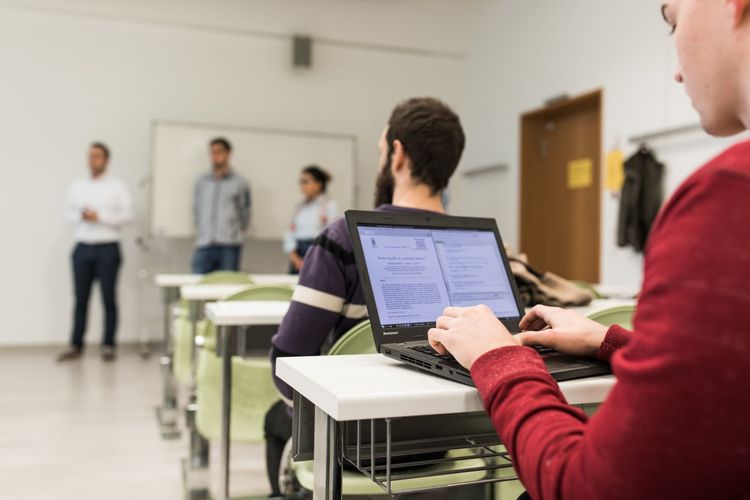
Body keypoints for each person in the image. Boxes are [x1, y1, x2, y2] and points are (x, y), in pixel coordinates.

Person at [427, 1, 750, 498]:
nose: (678, 71)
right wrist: (614, 344)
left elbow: (588, 488)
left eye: (673, 23)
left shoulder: (728, 197)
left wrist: (496, 356)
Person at [265, 97, 465, 498]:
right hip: (450, 436)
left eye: (380, 151)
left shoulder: (341, 239)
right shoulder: (475, 245)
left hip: (354, 442)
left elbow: (287, 364)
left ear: (396, 154)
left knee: (276, 418)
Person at [57, 143, 133, 362]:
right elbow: (68, 214)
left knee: (108, 298)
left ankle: (108, 344)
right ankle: (76, 344)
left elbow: (127, 216)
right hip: (83, 246)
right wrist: (83, 215)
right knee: (80, 298)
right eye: (90, 156)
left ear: (106, 160)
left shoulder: (117, 186)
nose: (93, 160)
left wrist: (99, 217)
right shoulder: (78, 186)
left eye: (97, 156)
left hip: (108, 246)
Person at [192, 137, 251, 273]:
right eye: (212, 152)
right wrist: (199, 230)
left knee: (227, 287)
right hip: (204, 243)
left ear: (228, 153)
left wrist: (236, 232)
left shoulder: (240, 182)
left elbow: (245, 211)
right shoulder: (201, 181)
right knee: (197, 287)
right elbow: (196, 209)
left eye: (219, 151)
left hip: (229, 246)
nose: (215, 155)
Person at [282, 165, 339, 274]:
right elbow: (289, 233)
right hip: (297, 256)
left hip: (319, 255)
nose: (302, 186)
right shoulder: (298, 207)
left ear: (318, 184)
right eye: (301, 182)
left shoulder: (329, 206)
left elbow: (332, 236)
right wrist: (295, 258)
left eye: (306, 181)